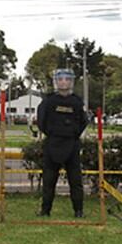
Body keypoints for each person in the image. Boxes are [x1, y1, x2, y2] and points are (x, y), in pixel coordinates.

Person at [36, 68, 88, 218]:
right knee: (49, 181)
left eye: (67, 79)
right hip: (52, 145)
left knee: (76, 181)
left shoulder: (77, 102)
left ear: (71, 81)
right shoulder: (48, 101)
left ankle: (78, 211)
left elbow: (83, 121)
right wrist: (53, 133)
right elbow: (41, 121)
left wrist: (71, 134)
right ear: (55, 82)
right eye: (60, 79)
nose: (63, 82)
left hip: (72, 146)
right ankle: (45, 210)